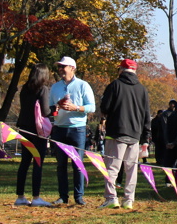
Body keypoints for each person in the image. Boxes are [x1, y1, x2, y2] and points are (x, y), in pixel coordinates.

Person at [99, 58, 151, 210]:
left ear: (121, 70)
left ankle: (111, 198)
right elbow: (146, 115)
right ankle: (129, 199)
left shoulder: (115, 85)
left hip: (116, 132)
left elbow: (105, 107)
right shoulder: (142, 89)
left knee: (112, 168)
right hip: (135, 134)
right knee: (131, 169)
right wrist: (145, 136)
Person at [49, 56, 95, 206]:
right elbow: (50, 108)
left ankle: (79, 197)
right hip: (59, 129)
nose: (60, 69)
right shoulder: (55, 87)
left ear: (72, 68)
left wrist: (76, 108)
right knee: (61, 165)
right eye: (59, 66)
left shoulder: (83, 85)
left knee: (77, 164)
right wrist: (55, 108)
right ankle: (63, 196)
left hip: (77, 129)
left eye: (63, 66)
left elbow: (91, 107)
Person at [13, 63, 54, 207]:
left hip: (24, 128)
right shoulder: (43, 89)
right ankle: (36, 197)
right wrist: (56, 108)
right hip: (37, 131)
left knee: (24, 163)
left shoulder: (24, 88)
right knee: (37, 162)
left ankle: (20, 196)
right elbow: (45, 111)